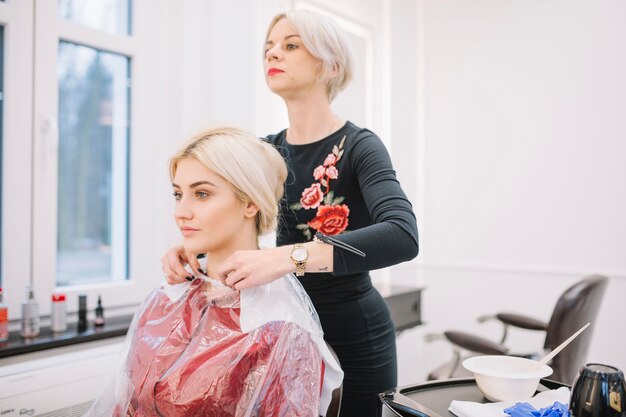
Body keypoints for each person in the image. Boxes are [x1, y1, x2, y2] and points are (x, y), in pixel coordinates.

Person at [162, 10, 419, 417]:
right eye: (269, 47)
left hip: (356, 332)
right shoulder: (264, 152)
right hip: (283, 321)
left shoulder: (361, 147)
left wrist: (287, 257)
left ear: (330, 65)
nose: (273, 54)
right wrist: (192, 244)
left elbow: (402, 236)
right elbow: (231, 214)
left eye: (291, 44)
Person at [87, 126, 342, 417]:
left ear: (250, 203)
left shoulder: (277, 325)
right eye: (178, 194)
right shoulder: (165, 300)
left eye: (202, 194)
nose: (180, 211)